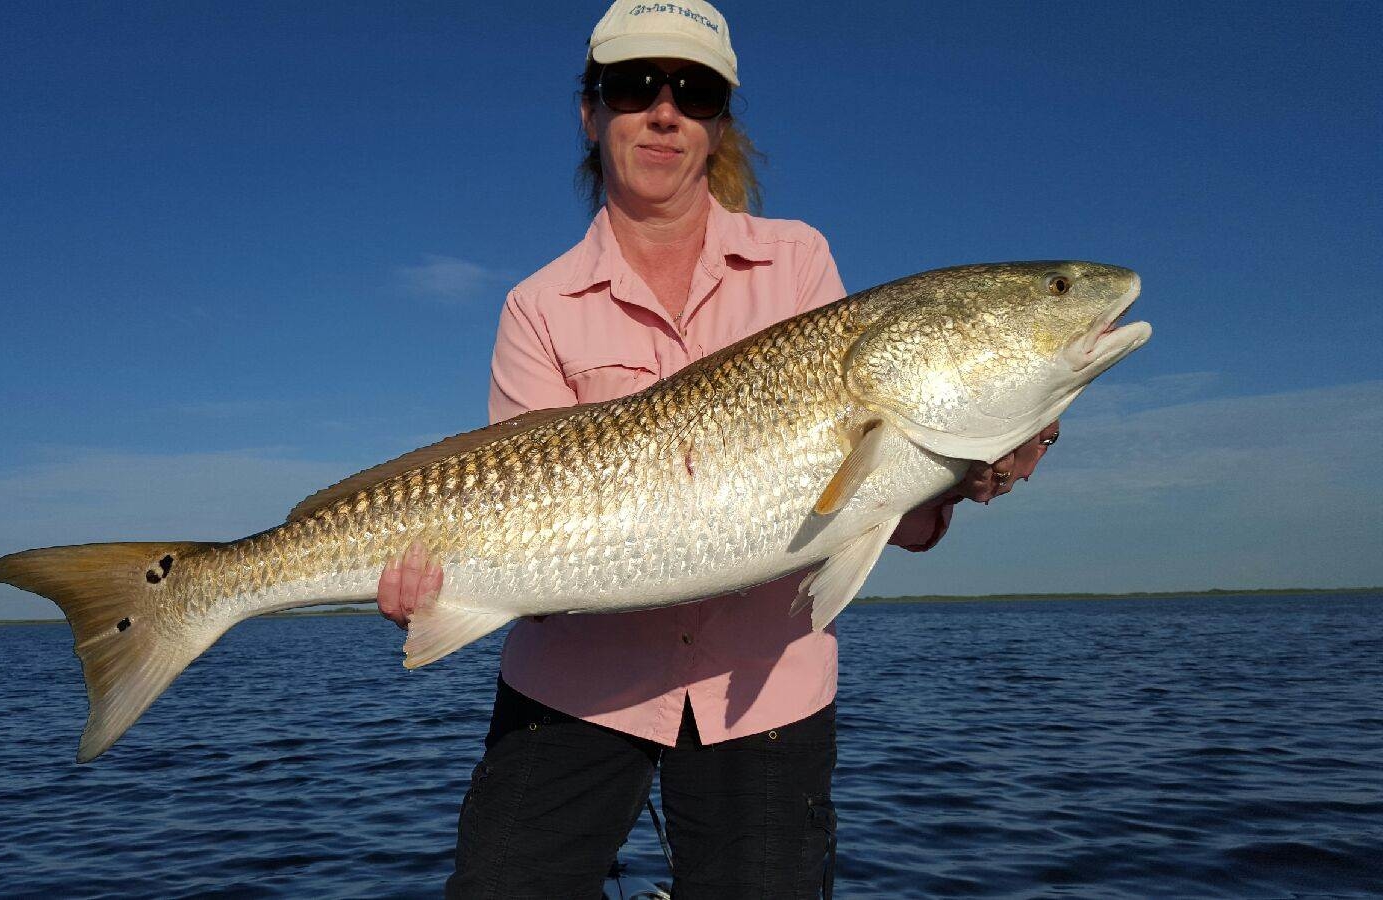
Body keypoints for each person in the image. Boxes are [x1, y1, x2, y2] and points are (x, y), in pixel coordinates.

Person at [377, 2, 1061, 896]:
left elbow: (877, 506)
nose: (664, 111)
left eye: (694, 92)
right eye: (633, 87)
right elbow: (517, 522)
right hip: (573, 689)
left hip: (764, 692)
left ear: (718, 125)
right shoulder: (536, 306)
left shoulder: (799, 264)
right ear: (591, 113)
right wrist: (440, 585)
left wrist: (972, 474)